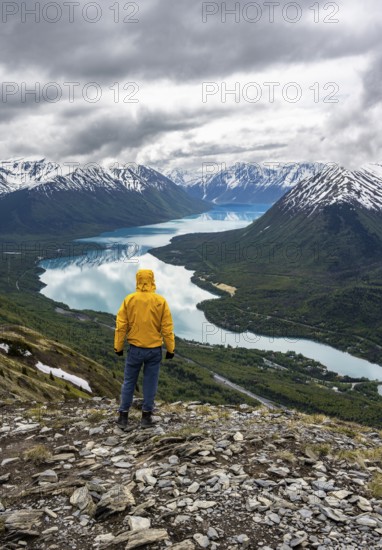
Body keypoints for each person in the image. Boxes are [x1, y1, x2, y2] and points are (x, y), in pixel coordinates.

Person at [114, 269, 175, 430]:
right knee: (150, 383)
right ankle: (146, 417)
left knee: (129, 382)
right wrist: (170, 349)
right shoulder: (160, 301)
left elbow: (121, 326)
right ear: (152, 280)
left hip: (135, 349)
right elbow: (167, 328)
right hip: (154, 350)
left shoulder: (130, 299)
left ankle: (123, 416)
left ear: (138, 280)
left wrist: (118, 346)